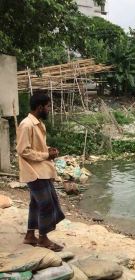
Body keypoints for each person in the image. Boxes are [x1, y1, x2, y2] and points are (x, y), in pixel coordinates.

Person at [17, 94, 64, 252]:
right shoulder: (26, 125)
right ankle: (43, 239)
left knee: (36, 204)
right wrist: (46, 155)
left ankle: (30, 235)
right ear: (39, 107)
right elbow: (23, 151)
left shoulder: (38, 124)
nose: (49, 109)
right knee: (46, 204)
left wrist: (49, 150)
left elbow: (36, 147)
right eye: (48, 106)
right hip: (33, 172)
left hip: (41, 170)